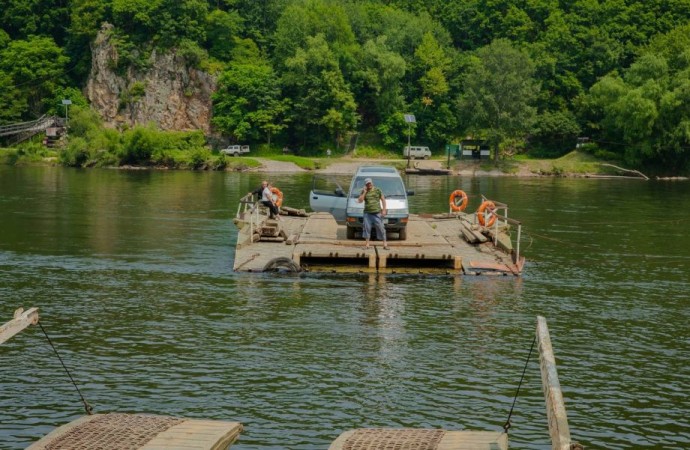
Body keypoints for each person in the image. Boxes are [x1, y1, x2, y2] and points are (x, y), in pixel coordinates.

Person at [357, 177, 388, 249]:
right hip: (367, 214)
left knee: (381, 228)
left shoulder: (378, 190)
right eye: (367, 184)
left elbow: (383, 200)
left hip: (377, 213)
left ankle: (385, 244)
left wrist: (384, 210)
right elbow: (360, 200)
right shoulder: (364, 191)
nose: (369, 185)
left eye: (370, 183)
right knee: (366, 228)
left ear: (372, 183)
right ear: (365, 184)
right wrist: (364, 192)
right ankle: (367, 245)